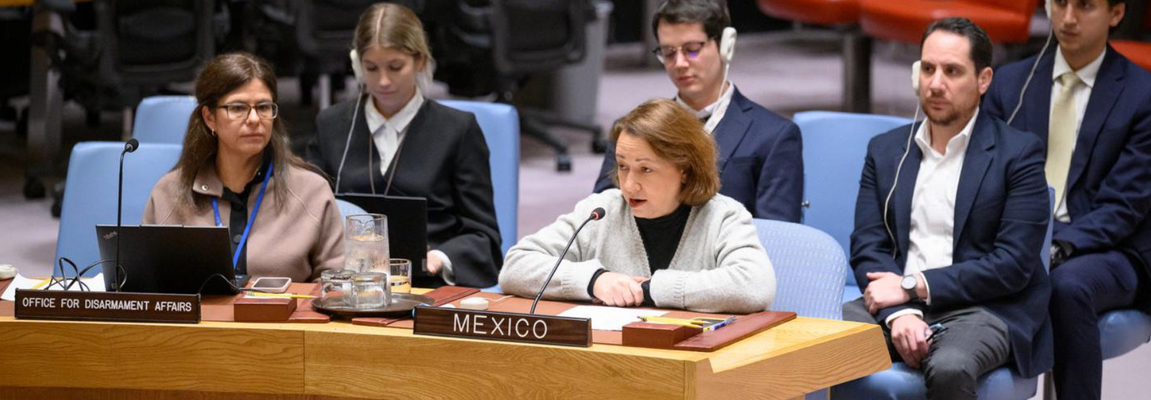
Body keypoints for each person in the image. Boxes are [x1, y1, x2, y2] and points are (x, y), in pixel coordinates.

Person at [982, 1, 1151, 398]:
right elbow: (985, 179)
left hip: (1110, 249)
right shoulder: (1010, 84)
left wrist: (1054, 244)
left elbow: (1124, 207)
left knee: (1066, 286)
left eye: (1085, 6)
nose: (1068, 18)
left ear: (1116, 13)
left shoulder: (1147, 96)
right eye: (1060, 3)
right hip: (1018, 239)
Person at [844, 18, 1052, 400]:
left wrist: (912, 287)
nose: (935, 83)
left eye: (952, 71)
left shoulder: (1019, 154)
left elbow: (1013, 264)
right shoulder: (886, 150)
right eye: (927, 69)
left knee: (950, 367)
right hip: (897, 305)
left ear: (983, 79)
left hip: (984, 307)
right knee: (813, 344)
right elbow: (868, 246)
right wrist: (899, 313)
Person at [501, 99, 775, 314]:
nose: (629, 185)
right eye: (622, 166)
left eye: (645, 169)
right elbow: (516, 266)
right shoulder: (601, 212)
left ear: (685, 169)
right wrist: (594, 280)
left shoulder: (723, 216)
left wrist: (651, 289)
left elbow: (754, 285)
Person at [306, 3, 502, 288]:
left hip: (427, 284)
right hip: (345, 283)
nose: (383, 81)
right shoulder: (332, 125)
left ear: (420, 61)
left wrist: (440, 257)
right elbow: (309, 214)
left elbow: (483, 235)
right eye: (371, 68)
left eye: (395, 67)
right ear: (356, 63)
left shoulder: (458, 130)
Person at [592, 0, 803, 223]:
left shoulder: (773, 136)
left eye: (692, 50)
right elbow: (601, 214)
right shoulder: (632, 131)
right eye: (668, 52)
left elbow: (780, 237)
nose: (680, 63)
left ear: (725, 46)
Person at [144, 52, 344, 283]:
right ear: (209, 118)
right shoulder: (169, 193)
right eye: (238, 108)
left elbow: (336, 289)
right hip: (199, 319)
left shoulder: (311, 191)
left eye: (263, 107)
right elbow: (148, 287)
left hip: (281, 319)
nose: (254, 119)